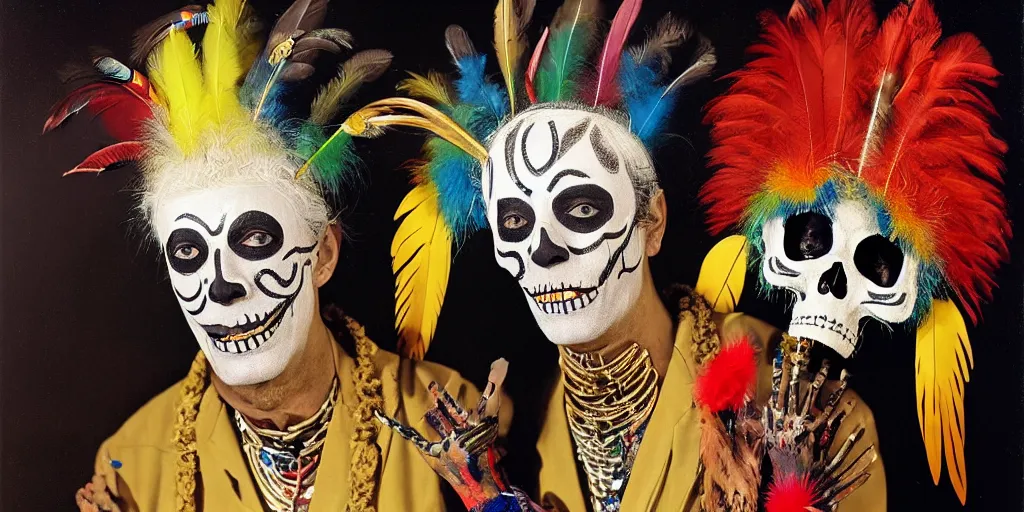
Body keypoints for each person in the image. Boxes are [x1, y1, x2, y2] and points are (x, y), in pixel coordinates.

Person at [338, 0, 884, 510]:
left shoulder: (795, 406)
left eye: (580, 210)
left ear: (652, 223)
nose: (544, 249)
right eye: (515, 222)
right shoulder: (517, 428)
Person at [47, 1, 505, 511]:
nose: (222, 284)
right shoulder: (132, 465)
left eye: (256, 241)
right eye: (189, 253)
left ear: (323, 254)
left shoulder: (456, 425)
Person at [700, 0, 1011, 506]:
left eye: (881, 266)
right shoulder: (722, 350)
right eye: (808, 242)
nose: (830, 283)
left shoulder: (855, 433)